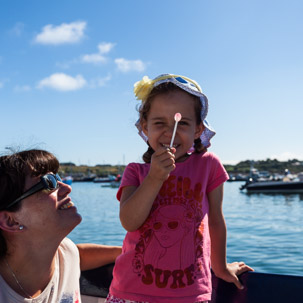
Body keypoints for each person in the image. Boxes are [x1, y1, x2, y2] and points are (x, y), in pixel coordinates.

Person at [106, 74, 253, 303]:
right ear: (145, 127)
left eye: (182, 123)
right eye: (159, 123)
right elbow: (129, 221)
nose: (169, 132)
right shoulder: (136, 171)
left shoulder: (208, 165)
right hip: (129, 292)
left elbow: (215, 220)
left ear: (197, 130)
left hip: (190, 293)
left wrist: (221, 267)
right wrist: (154, 177)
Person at [0, 149, 121, 302]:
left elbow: (77, 254)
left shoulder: (65, 254)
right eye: (48, 183)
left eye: (58, 179)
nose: (67, 188)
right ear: (11, 221)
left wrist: (127, 252)